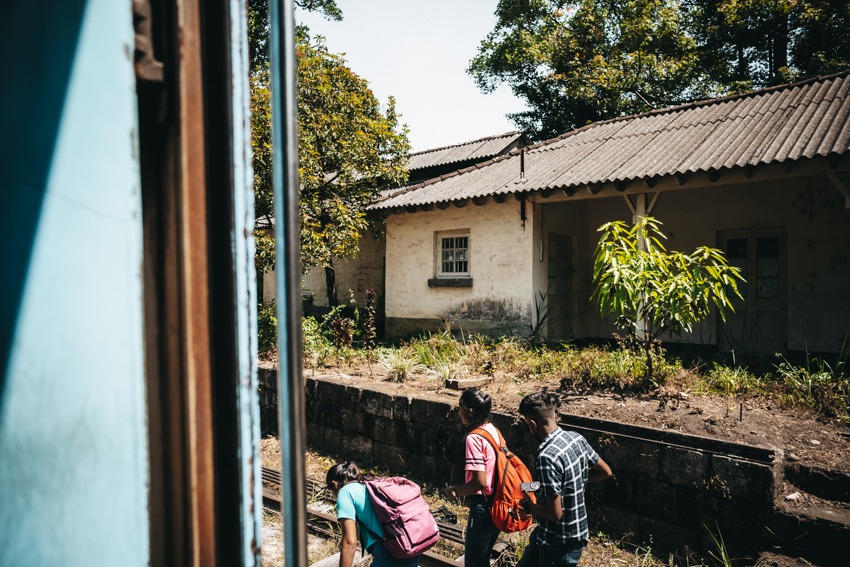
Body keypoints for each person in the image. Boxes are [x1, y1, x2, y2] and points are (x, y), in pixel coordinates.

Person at [517, 392, 613, 567]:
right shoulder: (576, 438)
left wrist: (530, 507)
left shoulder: (547, 457)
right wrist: (575, 482)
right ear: (554, 414)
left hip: (558, 543)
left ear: (531, 423)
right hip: (573, 533)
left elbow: (555, 513)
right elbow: (605, 472)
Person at [443, 388, 504, 567]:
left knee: (474, 563)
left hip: (482, 507)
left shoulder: (474, 438)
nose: (458, 411)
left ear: (469, 410)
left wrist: (456, 490)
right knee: (482, 559)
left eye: (460, 407)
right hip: (497, 502)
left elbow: (480, 481)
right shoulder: (493, 431)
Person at [326, 461, 420, 567]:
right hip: (410, 546)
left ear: (334, 484)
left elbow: (350, 542)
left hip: (388, 551)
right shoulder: (369, 483)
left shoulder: (345, 492)